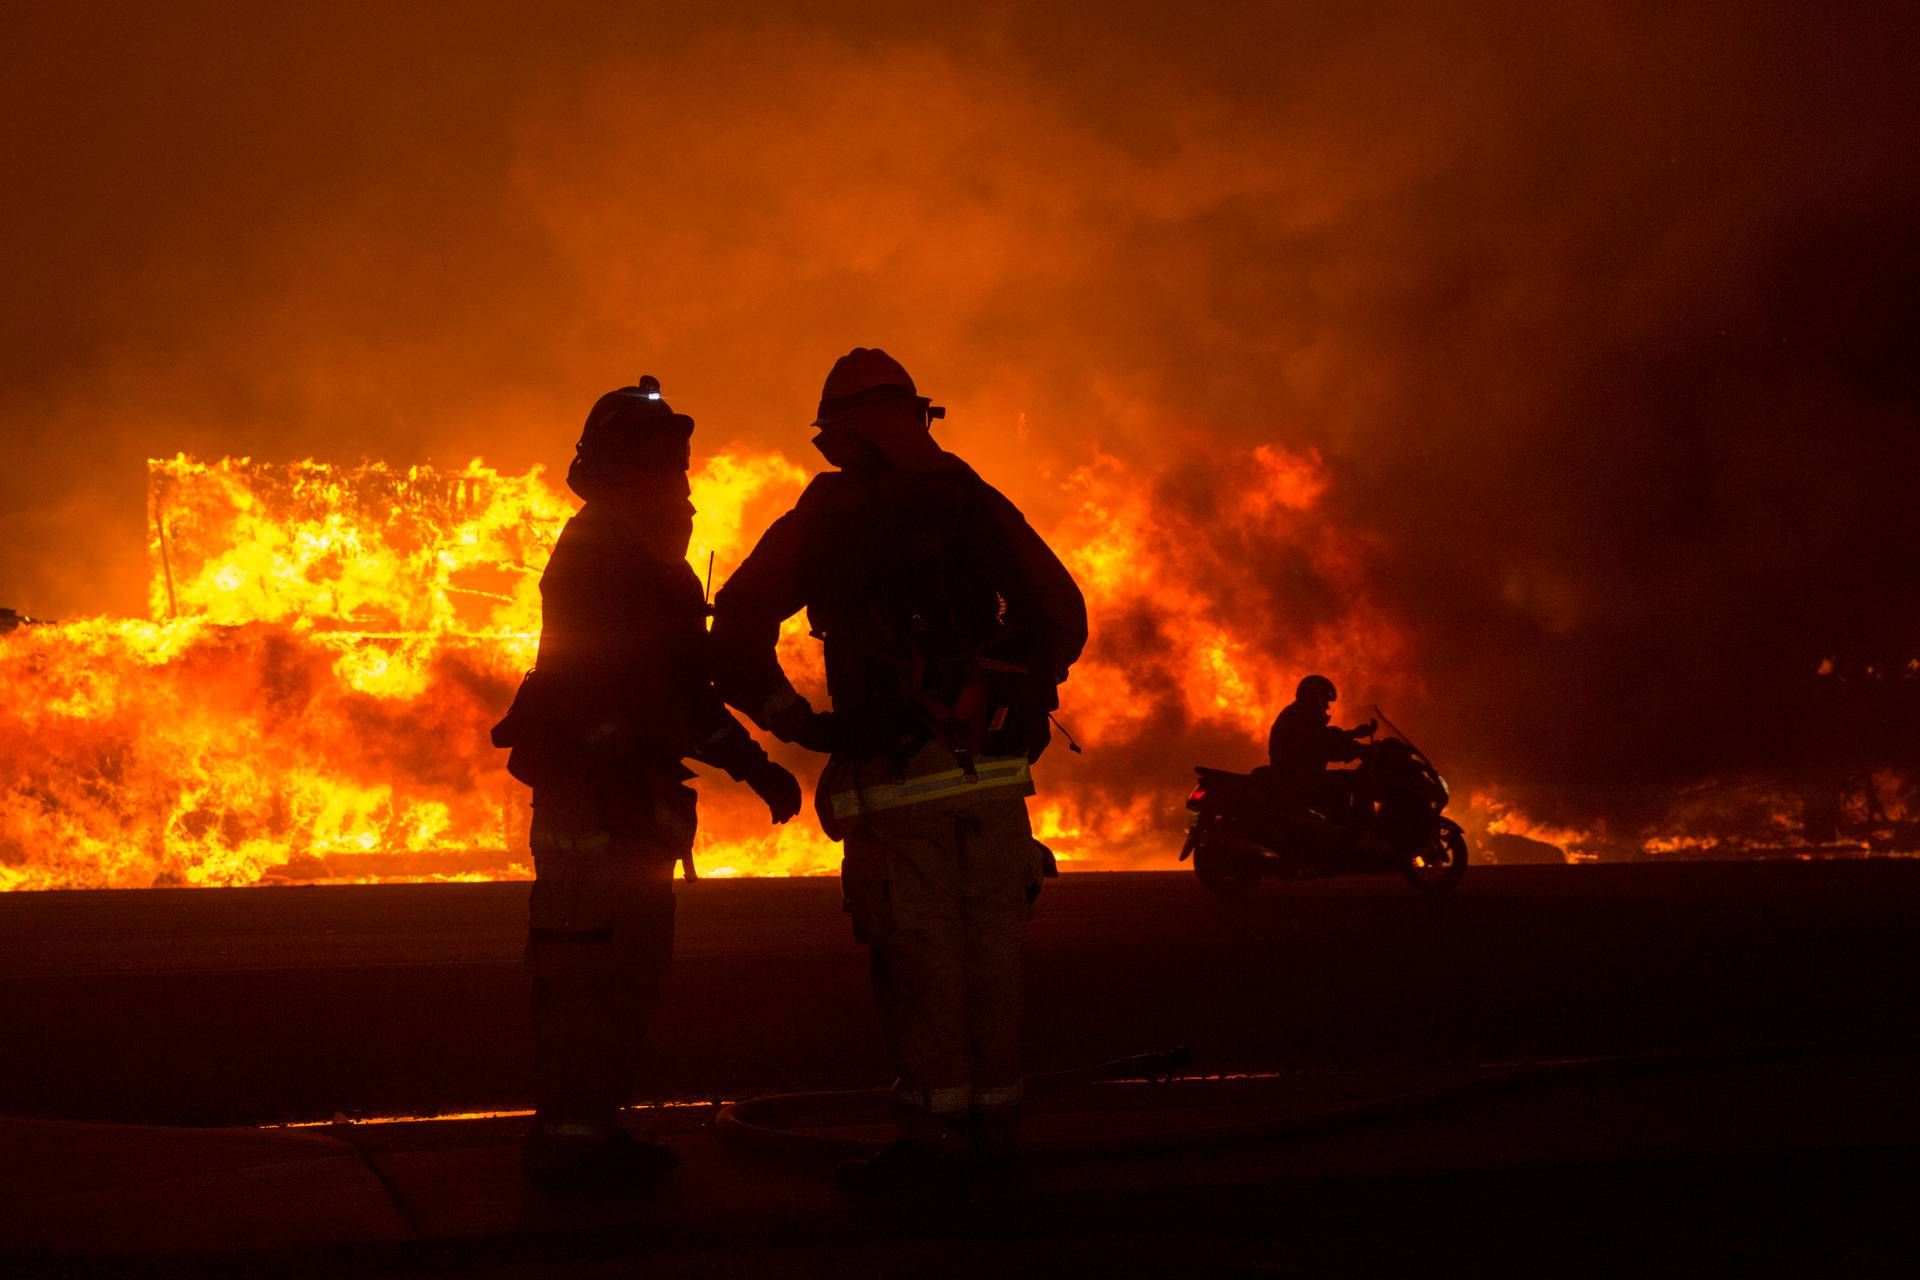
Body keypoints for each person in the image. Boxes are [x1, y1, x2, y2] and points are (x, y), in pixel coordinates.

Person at [709, 348, 1086, 1191]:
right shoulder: (977, 502)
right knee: (992, 961)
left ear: (845, 431)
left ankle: (933, 1151)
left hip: (896, 783)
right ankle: (996, 1144)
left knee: (921, 968)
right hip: (993, 789)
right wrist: (1006, 693)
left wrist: (799, 723)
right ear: (917, 415)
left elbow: (732, 628)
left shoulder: (832, 513)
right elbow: (1064, 617)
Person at [492, 375, 802, 1194]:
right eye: (666, 464)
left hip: (629, 811)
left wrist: (754, 761)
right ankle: (567, 1150)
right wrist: (625, 764)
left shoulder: (647, 563)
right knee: (584, 981)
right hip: (592, 807)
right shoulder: (601, 554)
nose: (684, 483)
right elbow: (599, 685)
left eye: (683, 465)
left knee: (626, 980)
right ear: (623, 470)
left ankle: (595, 1134)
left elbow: (686, 690)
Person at [1266, 674, 1376, 818]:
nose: (1327, 706)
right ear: (1315, 697)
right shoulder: (1299, 717)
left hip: (1300, 779)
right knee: (1358, 781)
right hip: (1298, 782)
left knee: (1347, 785)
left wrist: (1353, 734)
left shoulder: (1297, 714)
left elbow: (1325, 737)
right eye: (1325, 700)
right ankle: (1358, 834)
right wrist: (1361, 751)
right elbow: (1324, 744)